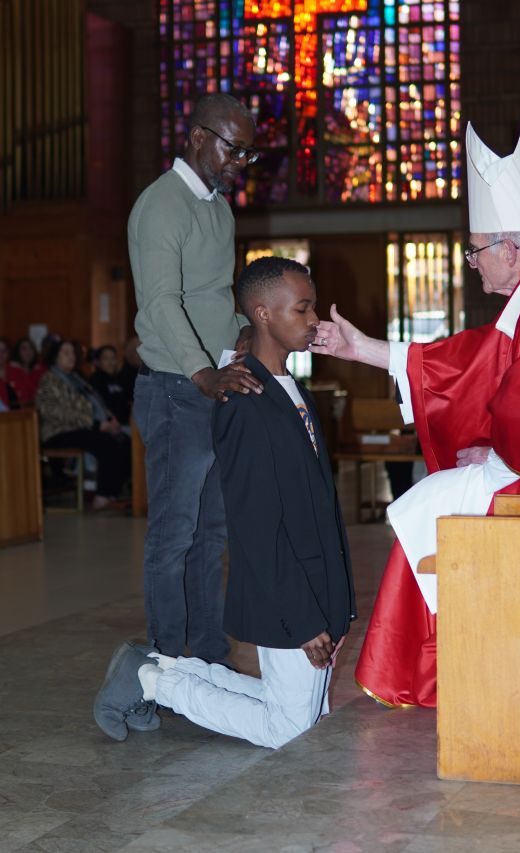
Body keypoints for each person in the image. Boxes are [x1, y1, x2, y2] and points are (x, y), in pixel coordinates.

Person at [311, 115, 520, 708]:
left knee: (429, 504)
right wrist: (365, 350)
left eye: (476, 250)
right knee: (429, 501)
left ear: (510, 247)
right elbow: (476, 362)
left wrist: (500, 454)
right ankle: (430, 670)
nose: (471, 262)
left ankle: (421, 674)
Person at [93, 257, 357, 747]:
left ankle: (157, 665)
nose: (314, 320)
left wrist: (334, 603)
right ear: (262, 314)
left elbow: (317, 505)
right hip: (286, 594)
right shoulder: (244, 400)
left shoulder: (294, 391)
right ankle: (152, 682)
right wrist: (303, 617)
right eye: (302, 309)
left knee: (309, 713)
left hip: (314, 587)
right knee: (289, 728)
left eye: (313, 308)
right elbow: (256, 523)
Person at [129, 93, 264, 688]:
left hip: (212, 386)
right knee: (174, 535)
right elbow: (161, 304)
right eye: (234, 149)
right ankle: (165, 666)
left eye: (247, 154)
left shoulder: (220, 210)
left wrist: (243, 331)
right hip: (174, 390)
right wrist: (202, 372)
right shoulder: (162, 206)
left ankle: (208, 659)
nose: (240, 163)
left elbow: (212, 300)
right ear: (197, 137)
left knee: (211, 535)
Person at [36, 339, 131, 510]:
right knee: (106, 443)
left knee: (125, 442)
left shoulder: (76, 378)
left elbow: (96, 401)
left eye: (73, 352)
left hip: (82, 428)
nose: (71, 356)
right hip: (58, 432)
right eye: (66, 353)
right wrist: (96, 424)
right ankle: (102, 496)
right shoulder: (49, 379)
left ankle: (113, 493)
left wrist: (110, 419)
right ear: (55, 357)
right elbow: (56, 412)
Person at [89, 345, 131, 428]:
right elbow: (98, 406)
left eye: (113, 358)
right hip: (110, 425)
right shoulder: (95, 380)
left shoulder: (119, 379)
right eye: (106, 358)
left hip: (126, 423)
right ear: (98, 362)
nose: (110, 362)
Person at [11, 336, 46, 401]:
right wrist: (21, 371)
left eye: (31, 348)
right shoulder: (11, 370)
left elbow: (38, 394)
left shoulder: (40, 370)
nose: (28, 351)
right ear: (17, 352)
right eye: (24, 349)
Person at [0, 337, 32, 407]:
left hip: (22, 412)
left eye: (4, 351)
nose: (1, 354)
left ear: (8, 353)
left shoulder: (17, 371)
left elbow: (32, 394)